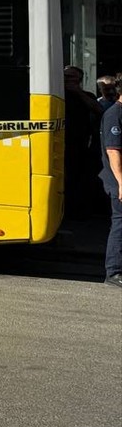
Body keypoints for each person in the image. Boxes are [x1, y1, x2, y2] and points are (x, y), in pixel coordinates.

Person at [64, 65, 103, 219]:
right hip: (59, 142)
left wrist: (78, 93)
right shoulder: (56, 95)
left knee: (77, 177)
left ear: (79, 80)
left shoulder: (86, 95)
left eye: (71, 78)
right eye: (65, 77)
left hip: (78, 144)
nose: (67, 80)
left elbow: (99, 111)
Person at [98, 85, 122, 288]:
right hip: (118, 181)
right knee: (120, 223)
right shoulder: (114, 114)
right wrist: (121, 183)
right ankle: (113, 272)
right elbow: (113, 151)